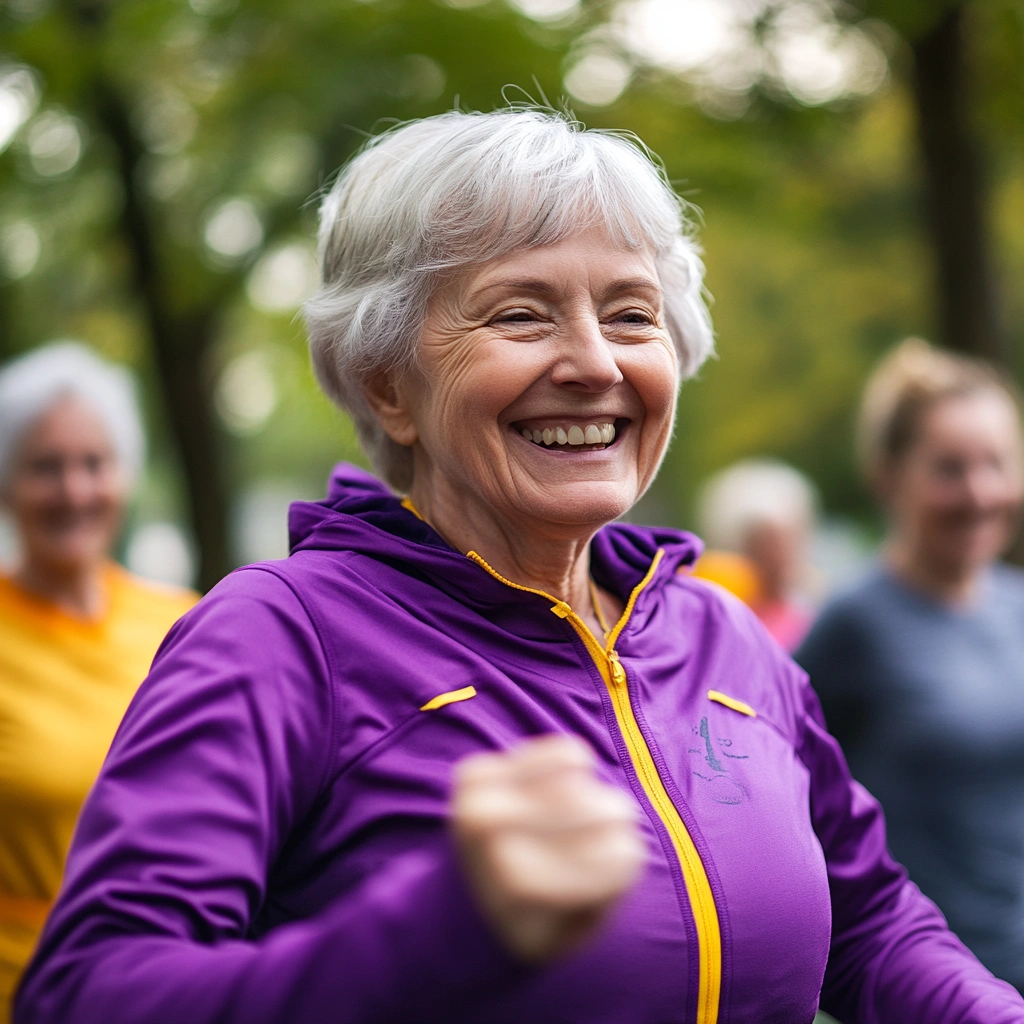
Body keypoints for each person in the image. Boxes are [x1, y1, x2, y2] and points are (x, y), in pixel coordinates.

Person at [14, 112, 1024, 1024]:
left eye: (632, 314)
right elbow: (90, 991)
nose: (594, 362)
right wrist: (431, 933)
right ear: (386, 383)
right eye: (519, 315)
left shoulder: (722, 634)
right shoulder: (281, 637)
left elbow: (869, 915)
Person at [796, 337, 1024, 993]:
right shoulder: (854, 625)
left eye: (997, 464)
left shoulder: (1015, 609)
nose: (980, 492)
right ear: (887, 475)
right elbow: (781, 795)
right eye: (950, 468)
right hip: (924, 989)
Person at [0, 342, 197, 1019]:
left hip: (166, 986)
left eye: (95, 464)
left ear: (126, 476)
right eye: (45, 468)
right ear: (5, 483)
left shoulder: (186, 622)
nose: (75, 491)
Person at [693, 458, 819, 650]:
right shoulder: (720, 606)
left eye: (785, 538)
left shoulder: (813, 604)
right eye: (765, 541)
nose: (779, 553)